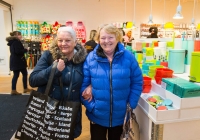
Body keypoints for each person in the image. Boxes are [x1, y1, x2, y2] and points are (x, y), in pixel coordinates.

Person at [81, 24, 143, 140]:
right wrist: (92, 107)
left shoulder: (128, 57)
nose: (106, 41)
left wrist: (130, 104)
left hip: (120, 116)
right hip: (97, 116)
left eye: (110, 37)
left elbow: (137, 82)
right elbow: (83, 84)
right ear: (98, 39)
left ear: (117, 38)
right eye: (103, 38)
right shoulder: (91, 59)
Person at [29, 26, 88, 139]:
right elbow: (33, 80)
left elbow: (90, 77)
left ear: (75, 42)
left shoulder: (83, 60)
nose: (63, 43)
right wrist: (53, 70)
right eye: (60, 40)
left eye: (67, 40)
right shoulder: (48, 56)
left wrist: (89, 86)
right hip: (49, 109)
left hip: (70, 111)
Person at [6, 31, 32, 95]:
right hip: (19, 61)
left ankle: (14, 90)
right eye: (19, 35)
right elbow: (18, 51)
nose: (21, 36)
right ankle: (25, 88)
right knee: (24, 74)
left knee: (16, 75)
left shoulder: (12, 42)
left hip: (15, 61)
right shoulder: (16, 42)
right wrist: (26, 50)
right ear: (16, 35)